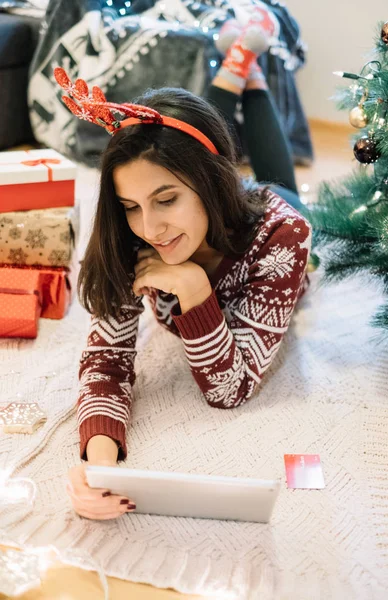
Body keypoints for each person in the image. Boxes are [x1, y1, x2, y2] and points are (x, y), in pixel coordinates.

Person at [59, 5, 312, 520]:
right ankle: (243, 61)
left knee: (281, 184)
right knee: (178, 137)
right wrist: (97, 464)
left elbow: (230, 389)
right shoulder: (128, 233)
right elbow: (107, 360)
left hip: (269, 225)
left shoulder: (284, 235)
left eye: (166, 199)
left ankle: (247, 67)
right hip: (214, 185)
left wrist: (195, 288)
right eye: (131, 206)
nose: (148, 228)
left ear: (209, 184)